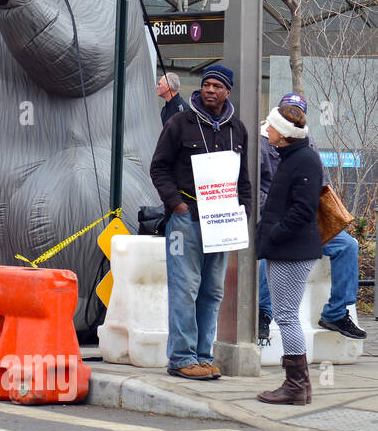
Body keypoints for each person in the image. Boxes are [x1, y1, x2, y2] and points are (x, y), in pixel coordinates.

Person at [149, 64, 252, 381]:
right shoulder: (180, 123)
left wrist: (242, 214)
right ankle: (181, 358)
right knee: (185, 289)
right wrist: (177, 206)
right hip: (186, 221)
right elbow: (159, 168)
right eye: (206, 84)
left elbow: (243, 180)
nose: (210, 90)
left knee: (212, 292)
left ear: (227, 92)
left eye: (217, 86)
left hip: (221, 224)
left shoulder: (238, 130)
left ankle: (203, 357)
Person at [257, 92, 366, 340]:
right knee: (268, 249)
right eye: (290, 111)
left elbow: (320, 187)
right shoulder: (263, 142)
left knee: (348, 245)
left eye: (299, 112)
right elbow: (253, 188)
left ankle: (336, 313)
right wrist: (275, 219)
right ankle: (263, 313)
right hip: (274, 218)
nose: (296, 116)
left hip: (305, 220)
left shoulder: (309, 146)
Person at [256, 101, 323, 405]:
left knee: (285, 316)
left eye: (270, 126)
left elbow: (304, 209)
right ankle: (300, 386)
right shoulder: (293, 156)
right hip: (287, 248)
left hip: (292, 251)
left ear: (282, 134)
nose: (266, 130)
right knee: (286, 315)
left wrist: (275, 234)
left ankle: (296, 385)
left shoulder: (304, 159)